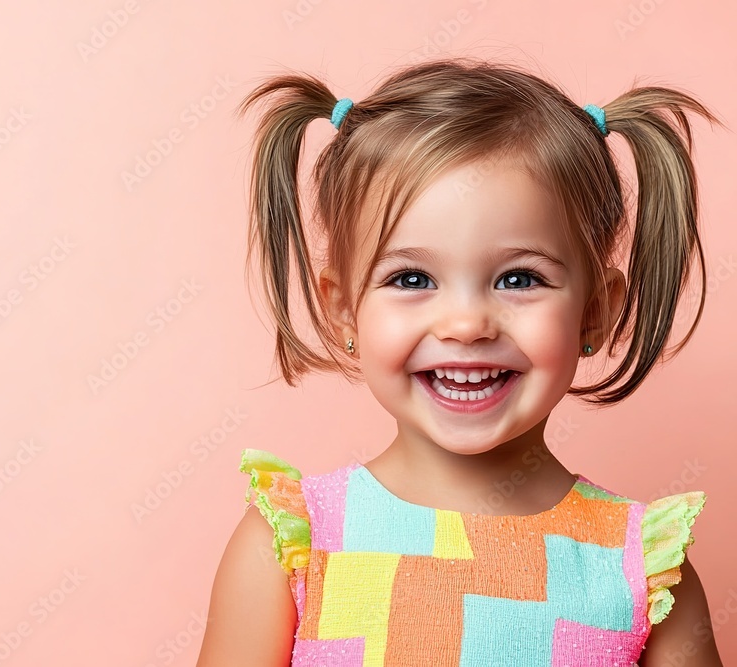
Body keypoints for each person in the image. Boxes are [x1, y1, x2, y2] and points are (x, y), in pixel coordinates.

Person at [196, 58, 725, 666]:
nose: (466, 325)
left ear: (595, 311)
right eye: (412, 277)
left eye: (520, 278)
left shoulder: (644, 571)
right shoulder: (293, 546)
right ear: (344, 311)